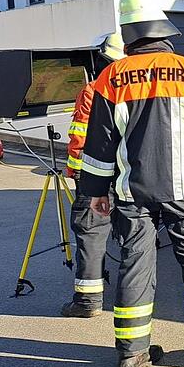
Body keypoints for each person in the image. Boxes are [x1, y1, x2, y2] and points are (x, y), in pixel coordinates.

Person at [79, 0, 184, 367]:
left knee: (135, 264)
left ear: (128, 34)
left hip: (132, 191)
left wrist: (96, 192)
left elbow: (99, 145)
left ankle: (131, 354)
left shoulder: (110, 78)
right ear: (162, 30)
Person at [60, 32, 125, 318]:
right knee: (133, 233)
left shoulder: (93, 90)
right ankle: (132, 295)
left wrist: (76, 171)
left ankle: (88, 301)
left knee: (91, 234)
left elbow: (80, 137)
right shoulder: (140, 88)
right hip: (131, 175)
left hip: (96, 176)